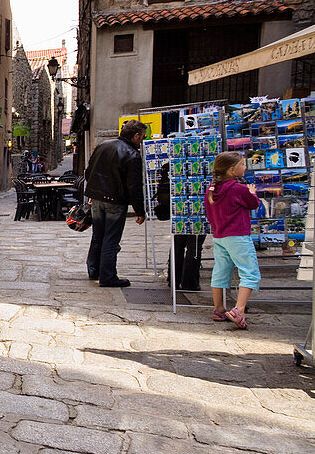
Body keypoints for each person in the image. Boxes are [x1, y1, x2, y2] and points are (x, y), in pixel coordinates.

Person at [84, 120, 148, 287]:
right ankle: (108, 276)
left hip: (98, 199)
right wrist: (140, 211)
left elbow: (89, 171)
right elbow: (134, 186)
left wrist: (92, 193)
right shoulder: (132, 155)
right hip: (115, 202)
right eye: (142, 137)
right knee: (111, 239)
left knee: (98, 236)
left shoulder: (103, 146)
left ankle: (94, 270)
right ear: (135, 136)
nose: (142, 141)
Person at [205, 152, 260, 329]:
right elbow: (253, 204)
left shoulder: (211, 190)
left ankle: (219, 309)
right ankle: (239, 309)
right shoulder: (239, 189)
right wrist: (253, 193)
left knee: (221, 271)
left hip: (220, 236)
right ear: (232, 169)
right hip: (238, 236)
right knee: (249, 272)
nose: (245, 167)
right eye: (243, 164)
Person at [154, 162, 206, 290]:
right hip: (197, 208)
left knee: (178, 244)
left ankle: (174, 279)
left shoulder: (172, 163)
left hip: (178, 208)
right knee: (194, 245)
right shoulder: (202, 163)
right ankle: (190, 282)